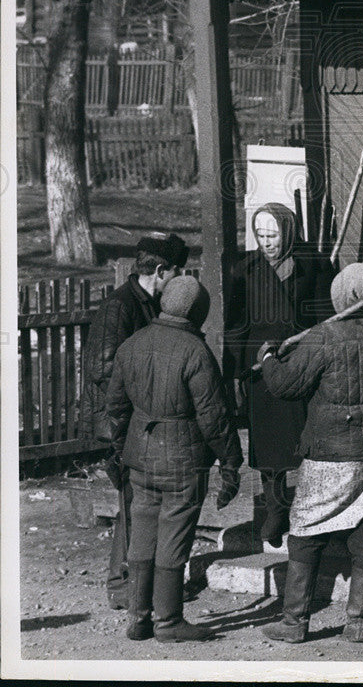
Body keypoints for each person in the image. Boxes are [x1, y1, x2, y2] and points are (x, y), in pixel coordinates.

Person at [259, 263, 363, 644]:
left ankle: (294, 622)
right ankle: (358, 622)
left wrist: (269, 359)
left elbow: (285, 386)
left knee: (306, 533)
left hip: (330, 453)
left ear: (341, 298)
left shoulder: (324, 337)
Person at [106, 275, 243, 643]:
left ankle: (138, 617)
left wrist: (121, 452)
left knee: (143, 534)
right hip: (183, 460)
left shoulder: (132, 345)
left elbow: (116, 409)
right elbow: (214, 418)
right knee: (174, 538)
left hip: (140, 457)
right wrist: (231, 463)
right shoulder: (196, 352)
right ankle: (168, 622)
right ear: (198, 312)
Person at [78, 232, 189, 610]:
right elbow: (103, 370)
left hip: (130, 421)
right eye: (177, 273)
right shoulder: (120, 307)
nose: (180, 280)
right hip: (118, 425)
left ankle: (134, 582)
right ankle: (121, 584)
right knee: (132, 504)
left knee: (137, 502)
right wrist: (129, 418)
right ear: (160, 271)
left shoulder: (144, 303)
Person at [224, 203, 334, 547]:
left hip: (302, 365)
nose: (267, 242)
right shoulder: (246, 269)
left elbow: (327, 317)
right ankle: (275, 509)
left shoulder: (314, 264)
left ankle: (311, 509)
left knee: (306, 442)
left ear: (288, 231)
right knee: (269, 446)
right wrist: (237, 372)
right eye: (261, 235)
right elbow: (236, 325)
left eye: (273, 234)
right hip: (263, 368)